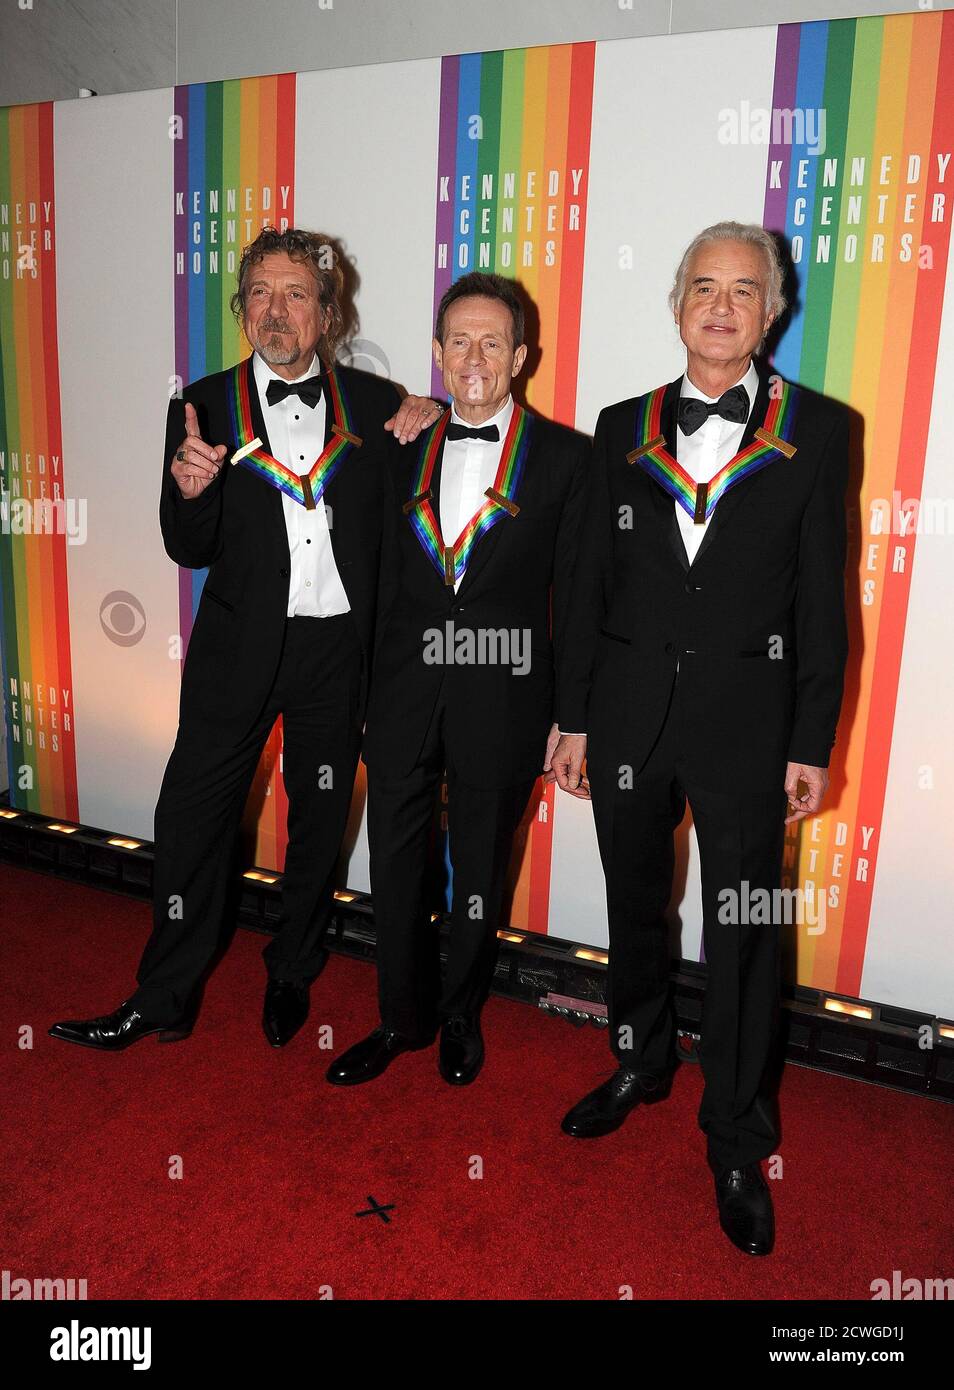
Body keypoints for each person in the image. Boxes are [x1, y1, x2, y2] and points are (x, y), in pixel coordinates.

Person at [50, 227, 439, 1052]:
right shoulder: (201, 403)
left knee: (319, 817)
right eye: (260, 293)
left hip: (337, 653)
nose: (276, 310)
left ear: (327, 313)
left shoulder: (374, 406)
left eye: (297, 293)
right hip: (237, 651)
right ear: (241, 308)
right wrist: (190, 495)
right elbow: (188, 545)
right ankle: (164, 993)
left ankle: (293, 968)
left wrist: (434, 412)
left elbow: (421, 514)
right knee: (191, 817)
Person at [550, 222, 850, 1256]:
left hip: (753, 733)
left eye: (745, 291)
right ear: (677, 302)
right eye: (704, 288)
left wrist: (812, 736)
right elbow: (586, 579)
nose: (722, 307)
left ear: (774, 310)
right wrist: (574, 713)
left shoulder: (822, 428)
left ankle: (736, 1135)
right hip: (628, 717)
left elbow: (824, 597)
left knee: (747, 929)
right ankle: (638, 1056)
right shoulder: (618, 424)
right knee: (635, 900)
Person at [328, 272, 589, 1088]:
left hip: (506, 701)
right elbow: (369, 580)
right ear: (437, 355)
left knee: (479, 874)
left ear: (520, 357)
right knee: (396, 868)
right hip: (404, 697)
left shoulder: (569, 460)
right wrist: (363, 692)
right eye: (458, 342)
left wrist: (574, 719)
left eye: (492, 342)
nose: (474, 357)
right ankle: (399, 1018)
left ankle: (460, 1015)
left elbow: (579, 601)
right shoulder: (394, 443)